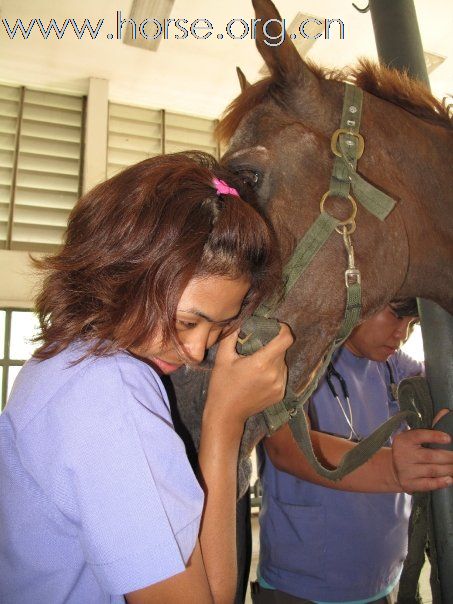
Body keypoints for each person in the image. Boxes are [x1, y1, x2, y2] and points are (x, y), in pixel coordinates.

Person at [0, 151, 294, 604]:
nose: (198, 352)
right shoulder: (110, 390)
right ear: (123, 274)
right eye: (187, 322)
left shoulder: (58, 362)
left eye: (217, 327)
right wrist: (225, 419)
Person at [253, 301, 453, 604]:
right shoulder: (297, 358)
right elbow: (285, 447)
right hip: (302, 587)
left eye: (413, 323)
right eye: (396, 315)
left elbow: (443, 389)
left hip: (380, 580)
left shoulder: (394, 366)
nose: (402, 333)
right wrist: (394, 471)